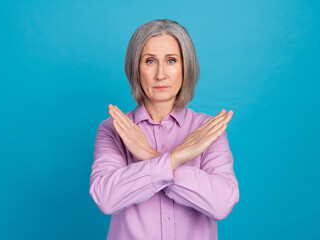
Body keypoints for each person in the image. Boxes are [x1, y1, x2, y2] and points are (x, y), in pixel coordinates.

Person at [89, 19, 239, 240]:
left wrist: (150, 157)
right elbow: (106, 198)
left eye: (171, 60)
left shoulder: (207, 131)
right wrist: (177, 157)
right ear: (135, 68)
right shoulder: (113, 129)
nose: (161, 74)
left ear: (185, 67)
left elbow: (221, 205)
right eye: (150, 61)